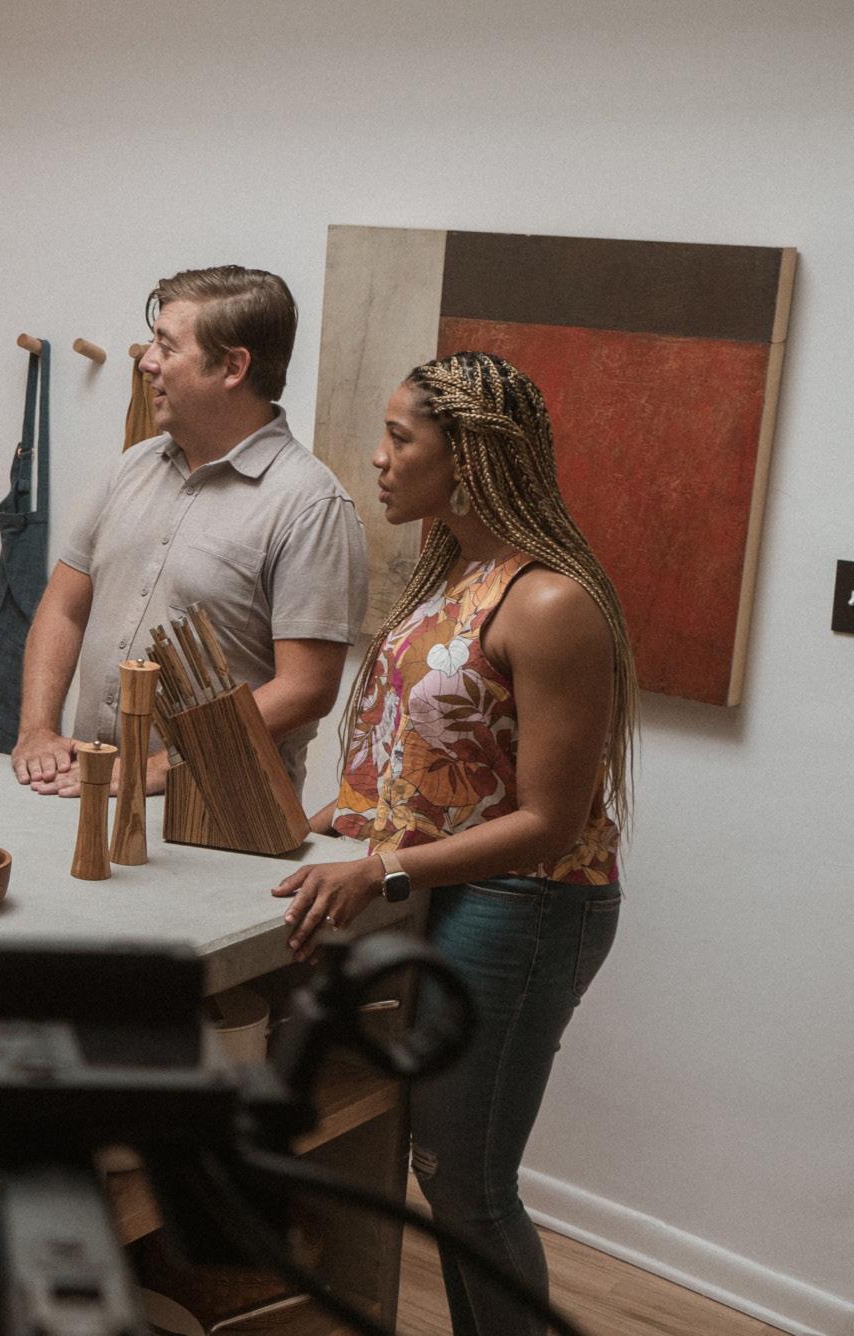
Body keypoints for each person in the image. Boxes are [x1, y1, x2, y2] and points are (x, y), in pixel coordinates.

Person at [272, 351, 633, 1335]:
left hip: (526, 904)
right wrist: (319, 823)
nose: (377, 458)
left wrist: (381, 868)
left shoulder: (549, 602)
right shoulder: (452, 575)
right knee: (430, 1167)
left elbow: (548, 823)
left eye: (400, 438)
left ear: (465, 457)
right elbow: (417, 765)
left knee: (465, 1183)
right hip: (439, 890)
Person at [9, 266, 367, 797]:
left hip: (222, 817)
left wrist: (155, 769)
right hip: (90, 793)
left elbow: (306, 689)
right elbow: (64, 607)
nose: (147, 362)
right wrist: (37, 731)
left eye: (167, 346)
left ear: (232, 367)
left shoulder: (311, 505)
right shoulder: (131, 467)